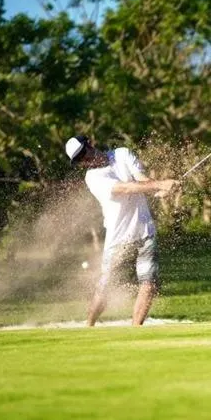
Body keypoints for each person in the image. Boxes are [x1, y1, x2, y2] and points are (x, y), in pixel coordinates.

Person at [64, 135, 179, 326]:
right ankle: (89, 325)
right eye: (78, 160)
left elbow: (141, 179)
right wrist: (159, 185)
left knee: (149, 283)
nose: (84, 160)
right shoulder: (92, 178)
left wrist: (160, 190)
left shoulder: (122, 154)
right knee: (105, 289)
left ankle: (135, 329)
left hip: (145, 231)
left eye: (83, 154)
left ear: (90, 144)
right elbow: (125, 188)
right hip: (118, 239)